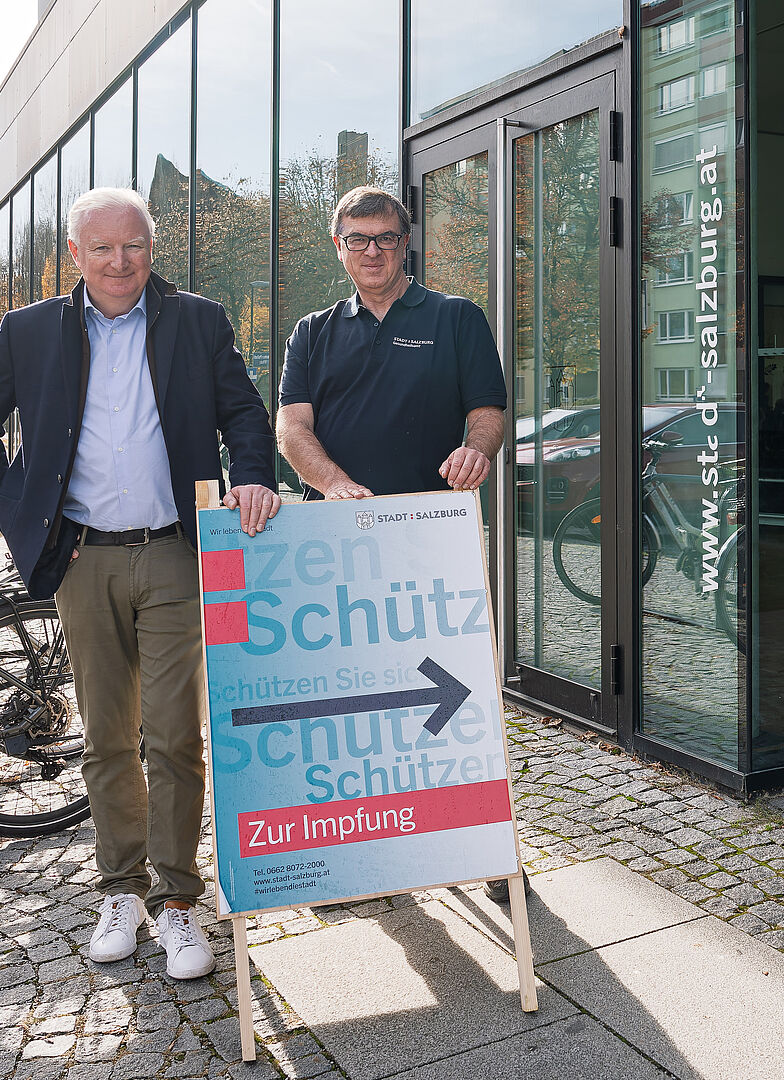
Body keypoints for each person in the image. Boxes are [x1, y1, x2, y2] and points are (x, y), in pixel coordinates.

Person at [0, 187, 281, 981]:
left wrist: (255, 477)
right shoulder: (31, 330)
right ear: (76, 256)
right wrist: (23, 514)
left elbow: (243, 414)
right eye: (102, 249)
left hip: (174, 552)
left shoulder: (197, 320)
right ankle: (119, 893)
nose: (119, 262)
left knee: (172, 735)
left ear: (150, 248)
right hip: (82, 557)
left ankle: (177, 904)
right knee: (105, 738)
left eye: (133, 246)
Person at [276, 185, 511, 898]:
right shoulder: (313, 331)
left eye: (384, 237)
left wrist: (478, 450)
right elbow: (291, 429)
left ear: (405, 243)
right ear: (337, 244)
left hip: (433, 543)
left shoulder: (455, 317)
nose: (371, 251)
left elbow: (488, 411)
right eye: (357, 238)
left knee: (455, 702)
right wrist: (336, 484)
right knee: (355, 708)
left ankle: (484, 852)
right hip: (339, 545)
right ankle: (364, 858)